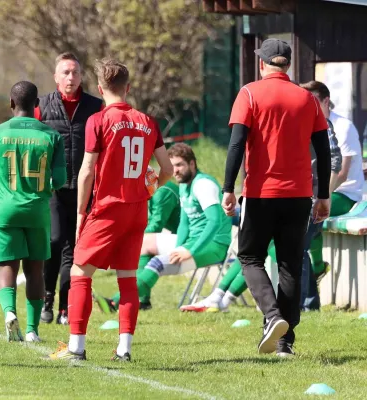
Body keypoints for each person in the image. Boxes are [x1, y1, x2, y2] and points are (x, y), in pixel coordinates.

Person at [47, 58, 173, 361]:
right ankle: (124, 348)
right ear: (127, 88)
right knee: (127, 279)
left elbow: (87, 171)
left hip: (108, 208)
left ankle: (76, 346)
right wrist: (148, 188)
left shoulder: (99, 120)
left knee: (79, 271)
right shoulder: (147, 121)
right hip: (136, 209)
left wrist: (80, 213)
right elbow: (166, 168)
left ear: (101, 89)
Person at [222, 38, 331, 357]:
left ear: (262, 63)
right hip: (299, 196)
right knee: (290, 264)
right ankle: (285, 342)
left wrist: (228, 187)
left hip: (260, 193)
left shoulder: (249, 93)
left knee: (250, 257)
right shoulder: (306, 99)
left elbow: (236, 144)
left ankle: (273, 318)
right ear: (289, 65)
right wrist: (323, 194)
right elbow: (323, 150)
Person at [94, 144, 230, 314]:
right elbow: (184, 223)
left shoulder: (203, 184)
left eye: (180, 165)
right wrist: (179, 247)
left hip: (214, 245)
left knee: (157, 263)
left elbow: (214, 222)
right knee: (144, 242)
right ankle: (142, 300)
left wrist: (190, 251)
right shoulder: (183, 185)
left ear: (192, 164)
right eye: (172, 166)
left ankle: (115, 303)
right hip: (192, 242)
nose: (175, 171)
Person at [0, 81, 67, 343]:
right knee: (34, 269)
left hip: (6, 210)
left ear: (11, 103)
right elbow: (61, 179)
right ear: (37, 105)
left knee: (7, 265)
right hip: (38, 210)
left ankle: (9, 313)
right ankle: (32, 329)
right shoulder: (52, 135)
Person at [34, 52, 103, 325]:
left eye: (75, 72)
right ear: (55, 77)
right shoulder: (42, 107)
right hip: (53, 188)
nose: (70, 78)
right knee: (53, 241)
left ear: (81, 76)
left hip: (85, 188)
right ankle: (47, 295)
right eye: (65, 72)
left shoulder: (96, 107)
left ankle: (65, 306)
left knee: (74, 248)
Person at [299, 81, 363, 306]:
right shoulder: (305, 122)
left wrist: (320, 198)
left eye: (312, 101)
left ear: (325, 100)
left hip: (344, 194)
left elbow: (342, 172)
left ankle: (307, 294)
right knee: (295, 236)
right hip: (316, 193)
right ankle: (314, 275)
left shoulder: (342, 127)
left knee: (300, 229)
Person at [94, 179, 180, 312]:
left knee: (142, 244)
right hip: (182, 237)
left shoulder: (162, 192)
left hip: (189, 240)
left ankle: (117, 302)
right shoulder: (149, 191)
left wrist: (131, 239)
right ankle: (141, 300)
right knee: (142, 245)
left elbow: (156, 224)